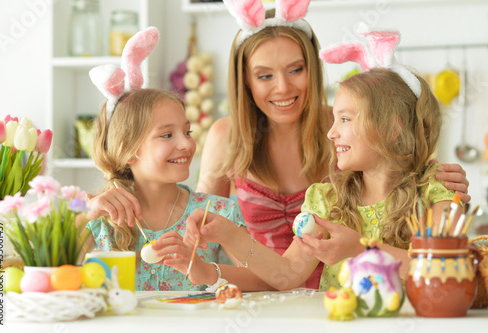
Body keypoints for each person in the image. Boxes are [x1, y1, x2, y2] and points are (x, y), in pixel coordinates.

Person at [197, 2, 470, 289]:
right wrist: (225, 238)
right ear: (245, 82)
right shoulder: (327, 198)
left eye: (345, 119)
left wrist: (362, 249)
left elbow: (445, 268)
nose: (331, 133)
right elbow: (287, 275)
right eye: (265, 75)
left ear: (391, 128)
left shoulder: (431, 190)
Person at [84, 27, 271, 292]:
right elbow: (45, 273)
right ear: (127, 150)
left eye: (187, 132)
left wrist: (205, 271)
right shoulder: (98, 217)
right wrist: (86, 216)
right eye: (167, 135)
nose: (186, 144)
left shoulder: (217, 213)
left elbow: (264, 282)